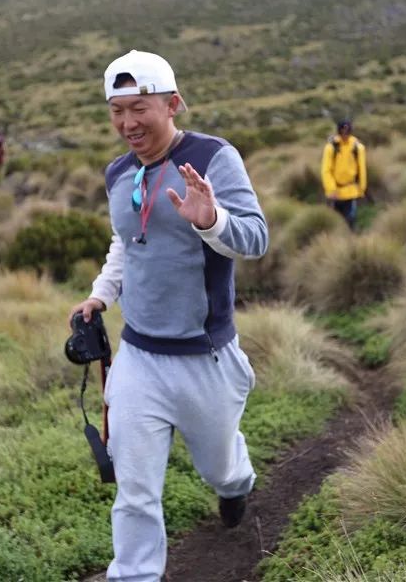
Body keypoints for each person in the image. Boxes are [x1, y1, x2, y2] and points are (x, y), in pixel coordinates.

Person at [68, 50, 268, 582]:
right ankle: (133, 574)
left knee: (220, 467)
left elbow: (256, 238)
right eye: (116, 110)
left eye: (139, 108)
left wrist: (212, 219)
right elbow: (126, 243)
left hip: (204, 356)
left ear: (172, 103)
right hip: (140, 356)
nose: (127, 123)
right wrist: (100, 296)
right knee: (134, 491)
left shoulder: (213, 157)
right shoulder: (117, 172)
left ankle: (235, 484)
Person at [320, 120, 367, 230]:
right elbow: (326, 170)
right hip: (335, 193)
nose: (345, 133)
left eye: (347, 131)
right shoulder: (331, 147)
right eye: (343, 130)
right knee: (334, 223)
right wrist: (331, 189)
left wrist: (361, 188)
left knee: (350, 221)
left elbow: (362, 170)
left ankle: (350, 242)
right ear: (339, 131)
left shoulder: (357, 148)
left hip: (351, 191)